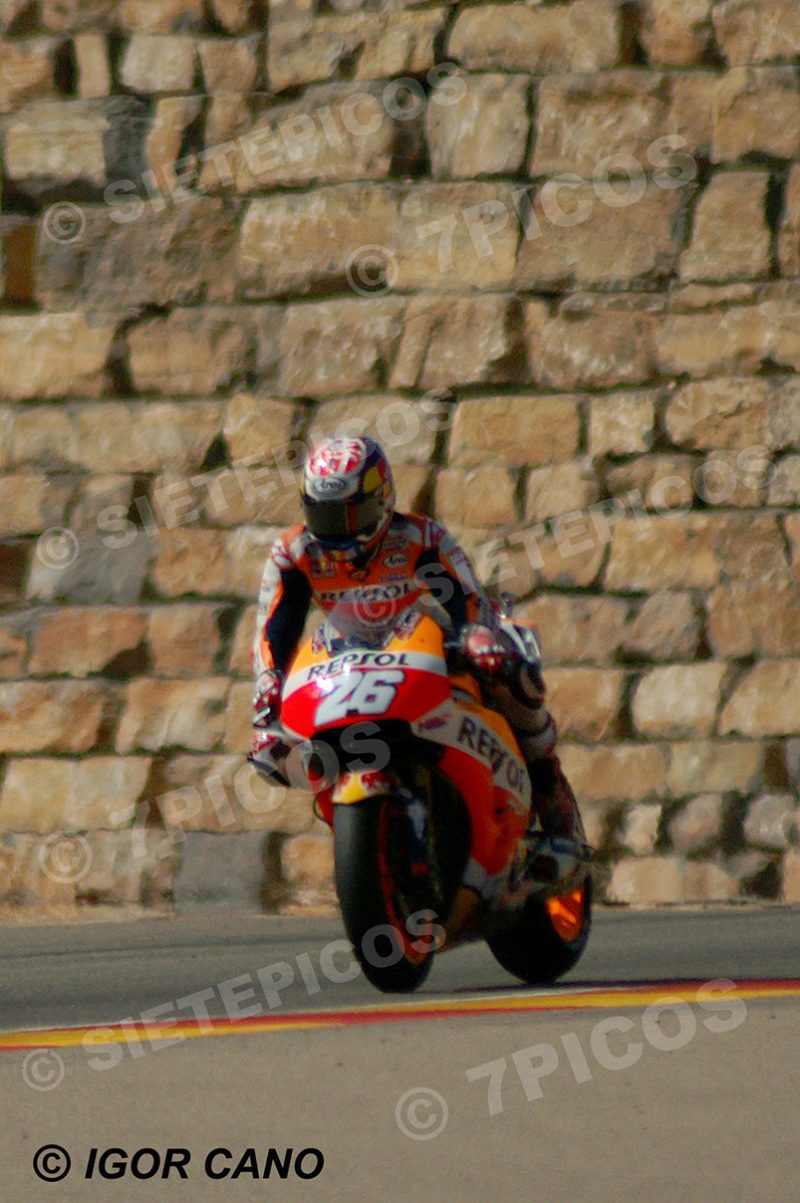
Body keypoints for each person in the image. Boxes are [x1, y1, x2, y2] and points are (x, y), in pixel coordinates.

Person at [250, 435, 584, 887]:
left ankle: (551, 797)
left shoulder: (420, 539)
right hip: (351, 661)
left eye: (355, 514)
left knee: (513, 668)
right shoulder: (295, 553)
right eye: (327, 515)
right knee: (276, 747)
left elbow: (466, 600)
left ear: (383, 499)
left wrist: (480, 639)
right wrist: (268, 688)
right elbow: (274, 628)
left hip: (434, 645)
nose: (342, 531)